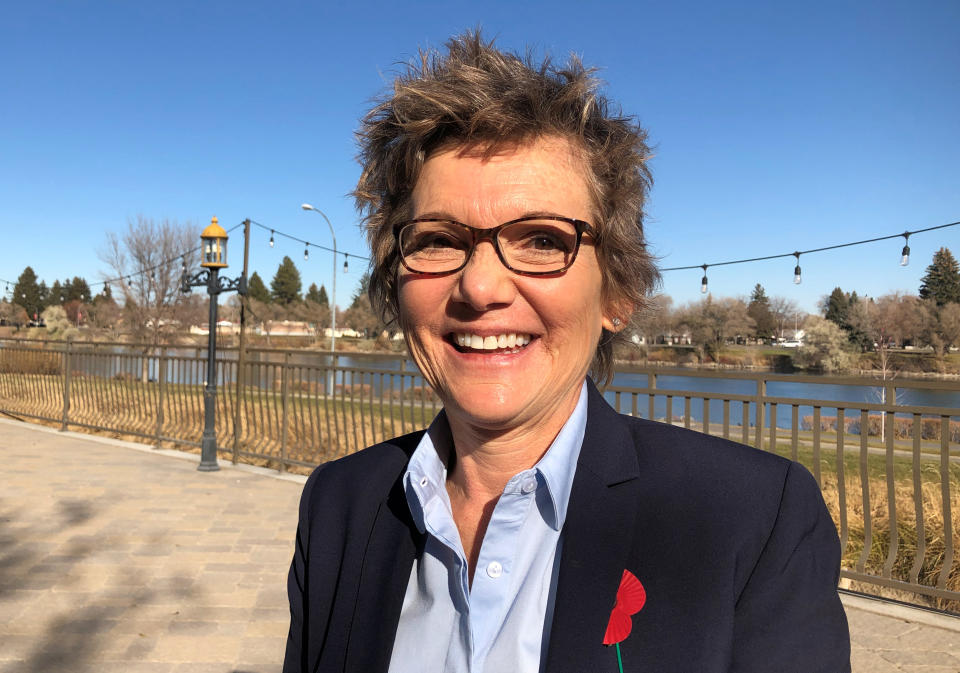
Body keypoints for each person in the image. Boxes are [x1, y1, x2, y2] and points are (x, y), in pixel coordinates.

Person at [283, 31, 850, 673]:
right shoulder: (339, 503)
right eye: (438, 239)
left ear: (620, 292)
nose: (480, 286)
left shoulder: (748, 521)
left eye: (542, 241)